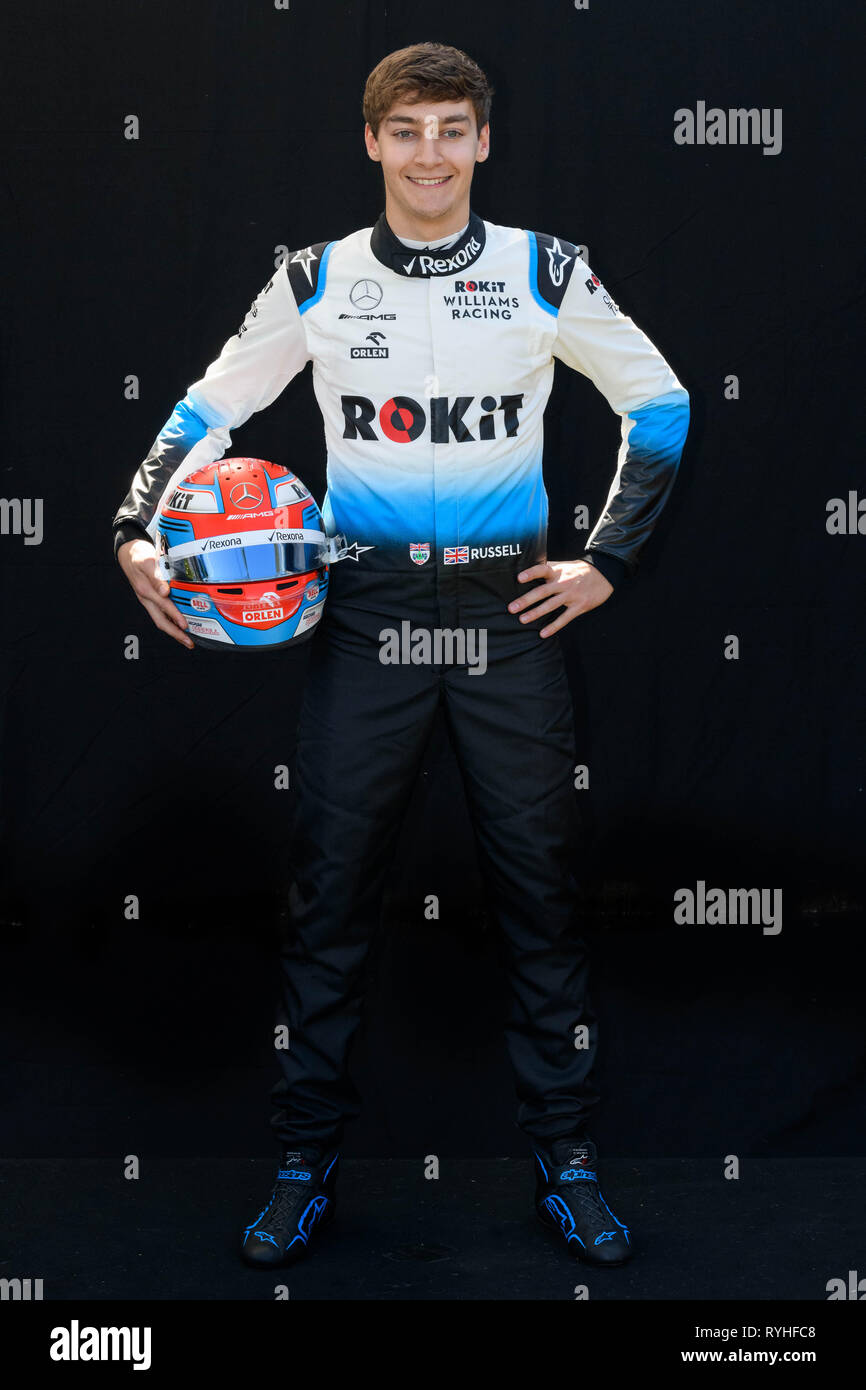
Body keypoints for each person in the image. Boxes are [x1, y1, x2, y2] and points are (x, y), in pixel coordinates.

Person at [112, 41, 690, 1270]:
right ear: (369, 144)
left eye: (451, 130)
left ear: (485, 142)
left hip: (505, 616)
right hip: (365, 614)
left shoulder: (546, 271)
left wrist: (607, 561)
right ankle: (302, 1162)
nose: (429, 154)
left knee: (538, 892)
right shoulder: (314, 279)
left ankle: (566, 1160)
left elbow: (663, 402)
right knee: (330, 895)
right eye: (406, 131)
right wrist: (134, 527)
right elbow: (207, 406)